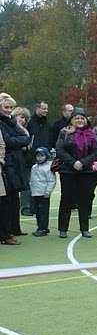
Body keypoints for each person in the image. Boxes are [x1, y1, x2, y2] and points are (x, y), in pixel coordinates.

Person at [55, 107, 97, 239]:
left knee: (85, 200)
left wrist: (83, 162)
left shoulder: (92, 134)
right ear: (72, 120)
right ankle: (63, 229)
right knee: (66, 199)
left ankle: (85, 228)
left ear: (86, 120)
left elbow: (96, 152)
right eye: (77, 118)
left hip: (86, 172)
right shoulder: (64, 132)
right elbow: (60, 149)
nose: (80, 120)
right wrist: (73, 162)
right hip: (68, 171)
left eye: (82, 118)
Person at [0, 97, 30, 244]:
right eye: (6, 107)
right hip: (6, 164)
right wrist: (18, 142)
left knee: (13, 198)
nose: (9, 110)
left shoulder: (12, 121)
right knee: (6, 200)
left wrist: (17, 141)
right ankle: (6, 234)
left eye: (11, 107)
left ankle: (13, 228)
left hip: (15, 163)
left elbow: (26, 137)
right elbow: (8, 141)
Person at [11, 106, 33, 219]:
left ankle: (26, 207)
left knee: (26, 185)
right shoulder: (11, 129)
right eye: (21, 117)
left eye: (25, 118)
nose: (23, 120)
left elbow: (28, 144)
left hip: (25, 161)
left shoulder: (26, 130)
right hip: (12, 162)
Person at [29, 147, 56, 237]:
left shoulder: (48, 168)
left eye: (42, 156)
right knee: (37, 212)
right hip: (35, 193)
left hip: (44, 194)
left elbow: (51, 180)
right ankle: (40, 227)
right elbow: (32, 180)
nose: (39, 158)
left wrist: (48, 191)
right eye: (38, 156)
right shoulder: (34, 167)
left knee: (43, 212)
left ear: (46, 156)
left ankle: (43, 228)